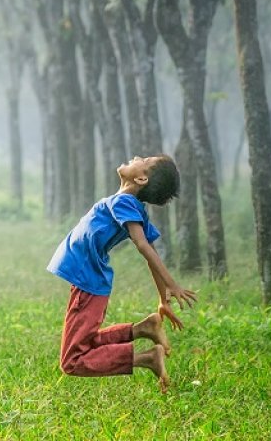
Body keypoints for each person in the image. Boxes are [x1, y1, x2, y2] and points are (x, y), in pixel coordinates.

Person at [46, 155, 196, 392]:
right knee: (86, 342)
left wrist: (172, 284)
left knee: (72, 360)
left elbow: (144, 246)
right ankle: (143, 329)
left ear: (141, 178)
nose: (136, 157)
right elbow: (150, 250)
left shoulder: (125, 202)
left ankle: (146, 359)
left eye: (144, 160)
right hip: (88, 281)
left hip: (88, 282)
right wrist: (162, 298)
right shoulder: (129, 205)